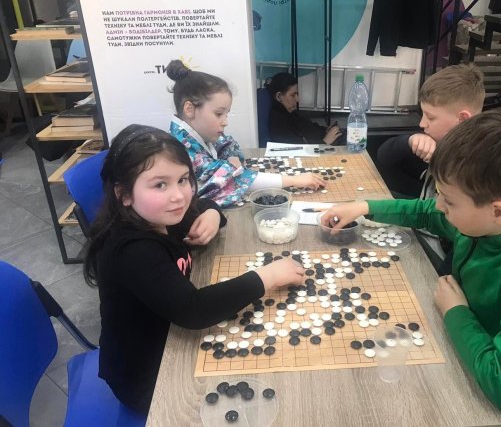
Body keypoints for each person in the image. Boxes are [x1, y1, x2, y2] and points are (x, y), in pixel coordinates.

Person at [321, 109, 501, 417]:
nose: (439, 205)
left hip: (474, 390)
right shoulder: (480, 222)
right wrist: (364, 206)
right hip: (449, 341)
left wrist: (457, 312)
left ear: (499, 212)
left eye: (449, 201)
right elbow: (426, 212)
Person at [83, 124, 305, 415]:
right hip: (146, 375)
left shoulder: (161, 214)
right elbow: (193, 310)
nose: (178, 196)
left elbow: (204, 204)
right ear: (124, 194)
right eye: (160, 185)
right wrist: (268, 276)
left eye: (183, 179)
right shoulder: (132, 250)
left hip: (172, 337)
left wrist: (212, 214)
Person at [166, 61, 325, 207]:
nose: (225, 122)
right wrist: (294, 180)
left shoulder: (197, 134)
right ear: (189, 109)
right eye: (218, 114)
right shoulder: (181, 151)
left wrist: (230, 158)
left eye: (226, 114)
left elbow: (227, 144)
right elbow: (235, 179)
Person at [376, 64, 484, 198]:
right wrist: (409, 141)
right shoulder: (437, 139)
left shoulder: (476, 166)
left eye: (431, 117)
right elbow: (383, 157)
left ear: (462, 119)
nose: (422, 123)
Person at [266, 72, 344, 145]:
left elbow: (309, 127)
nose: (297, 99)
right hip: (321, 148)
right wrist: (325, 141)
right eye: (293, 95)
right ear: (278, 96)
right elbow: (297, 151)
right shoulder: (279, 124)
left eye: (297, 94)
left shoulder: (290, 113)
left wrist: (325, 130)